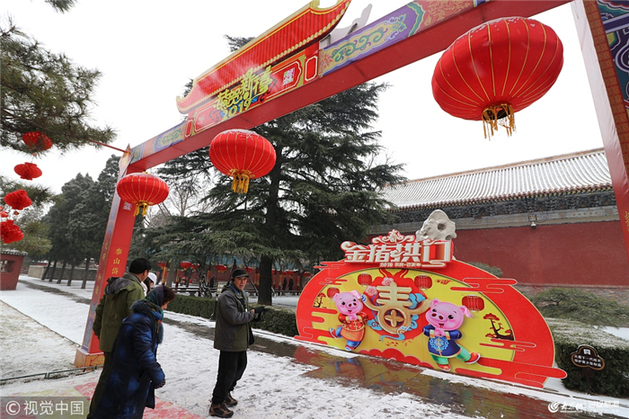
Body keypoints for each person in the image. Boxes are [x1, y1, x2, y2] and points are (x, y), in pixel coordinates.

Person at [92, 285, 176, 419]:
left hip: (126, 374)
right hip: (129, 377)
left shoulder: (140, 318)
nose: (165, 307)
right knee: (124, 412)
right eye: (166, 303)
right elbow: (144, 353)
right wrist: (158, 376)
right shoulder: (142, 322)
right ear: (159, 301)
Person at [88, 258, 151, 418]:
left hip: (109, 341)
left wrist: (101, 334)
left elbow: (100, 312)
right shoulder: (135, 289)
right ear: (145, 272)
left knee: (109, 377)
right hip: (123, 346)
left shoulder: (114, 284)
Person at [210, 269, 265, 418]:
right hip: (230, 341)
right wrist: (252, 314)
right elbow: (234, 318)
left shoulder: (240, 295)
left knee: (240, 367)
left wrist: (252, 317)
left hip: (240, 340)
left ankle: (226, 392)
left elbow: (242, 315)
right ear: (233, 279)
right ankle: (216, 404)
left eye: (245, 280)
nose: (242, 282)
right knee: (226, 373)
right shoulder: (227, 296)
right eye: (240, 279)